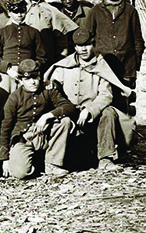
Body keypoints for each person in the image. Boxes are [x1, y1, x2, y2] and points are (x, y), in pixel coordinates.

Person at [45, 27, 134, 171]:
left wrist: (90, 110)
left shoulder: (101, 66)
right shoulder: (64, 65)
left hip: (92, 115)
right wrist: (53, 85)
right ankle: (53, 163)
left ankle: (106, 158)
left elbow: (106, 95)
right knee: (76, 159)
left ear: (93, 44)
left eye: (87, 45)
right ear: (75, 47)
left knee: (109, 112)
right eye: (79, 46)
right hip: (70, 112)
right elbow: (55, 88)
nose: (83, 49)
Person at [0, 59, 77, 179]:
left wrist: (47, 116)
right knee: (20, 173)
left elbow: (69, 107)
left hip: (44, 133)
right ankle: (37, 164)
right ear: (21, 80)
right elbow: (5, 127)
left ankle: (52, 164)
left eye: (35, 78)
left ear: (40, 76)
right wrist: (5, 158)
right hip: (24, 138)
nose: (33, 82)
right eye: (27, 79)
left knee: (64, 121)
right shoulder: (14, 98)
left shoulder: (48, 90)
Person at [86, 0, 145, 89]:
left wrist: (134, 65)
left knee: (124, 102)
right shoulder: (95, 11)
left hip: (126, 67)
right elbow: (88, 38)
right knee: (104, 99)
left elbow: (138, 41)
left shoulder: (130, 11)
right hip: (103, 67)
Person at [0, 0, 47, 116]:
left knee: (27, 105)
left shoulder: (34, 32)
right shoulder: (2, 32)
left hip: (29, 73)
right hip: (7, 73)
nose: (19, 14)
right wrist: (8, 69)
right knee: (2, 102)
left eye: (22, 11)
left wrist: (31, 68)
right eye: (15, 12)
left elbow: (42, 57)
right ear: (9, 12)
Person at [23, 0, 78, 67]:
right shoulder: (22, 11)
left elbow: (62, 42)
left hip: (48, 61)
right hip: (27, 62)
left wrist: (60, 63)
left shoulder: (51, 10)